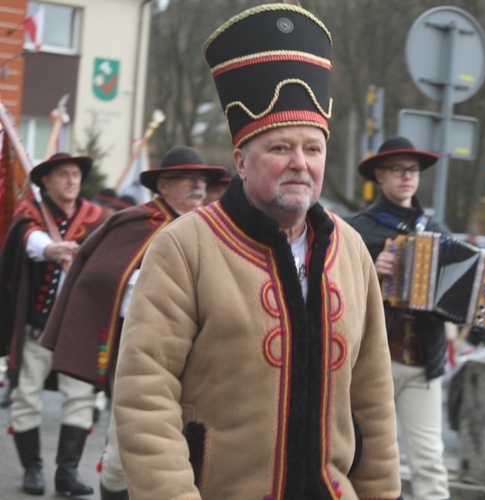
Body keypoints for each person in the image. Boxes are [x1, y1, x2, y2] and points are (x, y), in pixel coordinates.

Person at [112, 4, 402, 499]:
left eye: (313, 149)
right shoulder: (185, 248)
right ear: (241, 161)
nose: (299, 164)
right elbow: (145, 395)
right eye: (279, 148)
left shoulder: (349, 250)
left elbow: (373, 397)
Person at [40, 146, 225, 500]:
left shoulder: (213, 227)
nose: (198, 186)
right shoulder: (138, 221)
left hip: (200, 356)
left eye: (202, 179)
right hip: (140, 349)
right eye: (189, 179)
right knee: (126, 446)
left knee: (188, 448)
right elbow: (105, 278)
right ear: (164, 185)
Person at [347, 136, 485, 499]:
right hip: (373, 363)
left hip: (424, 363)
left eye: (413, 170)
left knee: (430, 461)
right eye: (398, 170)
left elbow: (472, 279)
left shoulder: (435, 228)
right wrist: (371, 270)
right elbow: (331, 292)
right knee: (367, 460)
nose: (407, 177)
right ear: (380, 175)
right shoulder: (357, 229)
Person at [0, 152, 105, 496]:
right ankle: (32, 468)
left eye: (75, 174)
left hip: (77, 327)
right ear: (46, 181)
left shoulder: (95, 217)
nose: (72, 180)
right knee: (27, 395)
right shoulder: (30, 213)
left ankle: (68, 472)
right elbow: (27, 240)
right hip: (37, 326)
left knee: (79, 395)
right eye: (63, 174)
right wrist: (52, 249)